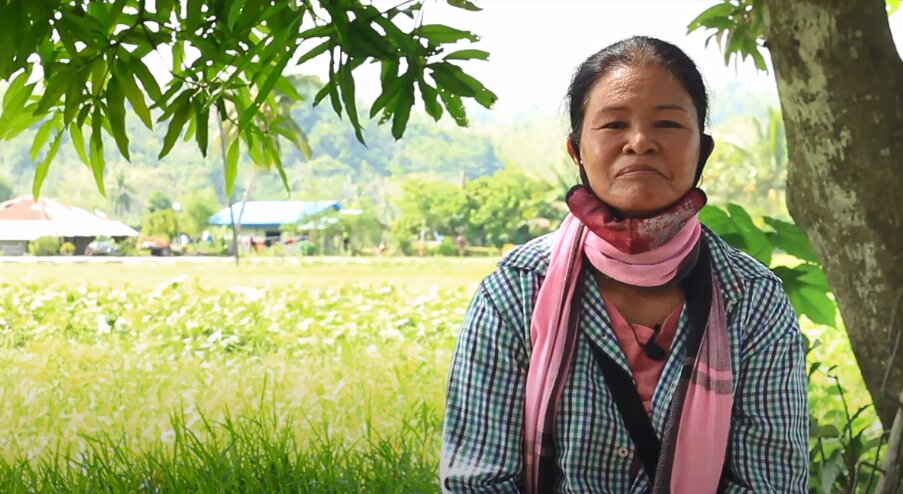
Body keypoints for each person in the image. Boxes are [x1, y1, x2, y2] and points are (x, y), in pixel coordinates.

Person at [439, 36, 808, 493]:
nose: (640, 143)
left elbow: (768, 484)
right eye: (614, 124)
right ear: (576, 150)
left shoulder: (752, 299)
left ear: (703, 150)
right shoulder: (517, 290)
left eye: (668, 125)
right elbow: (478, 480)